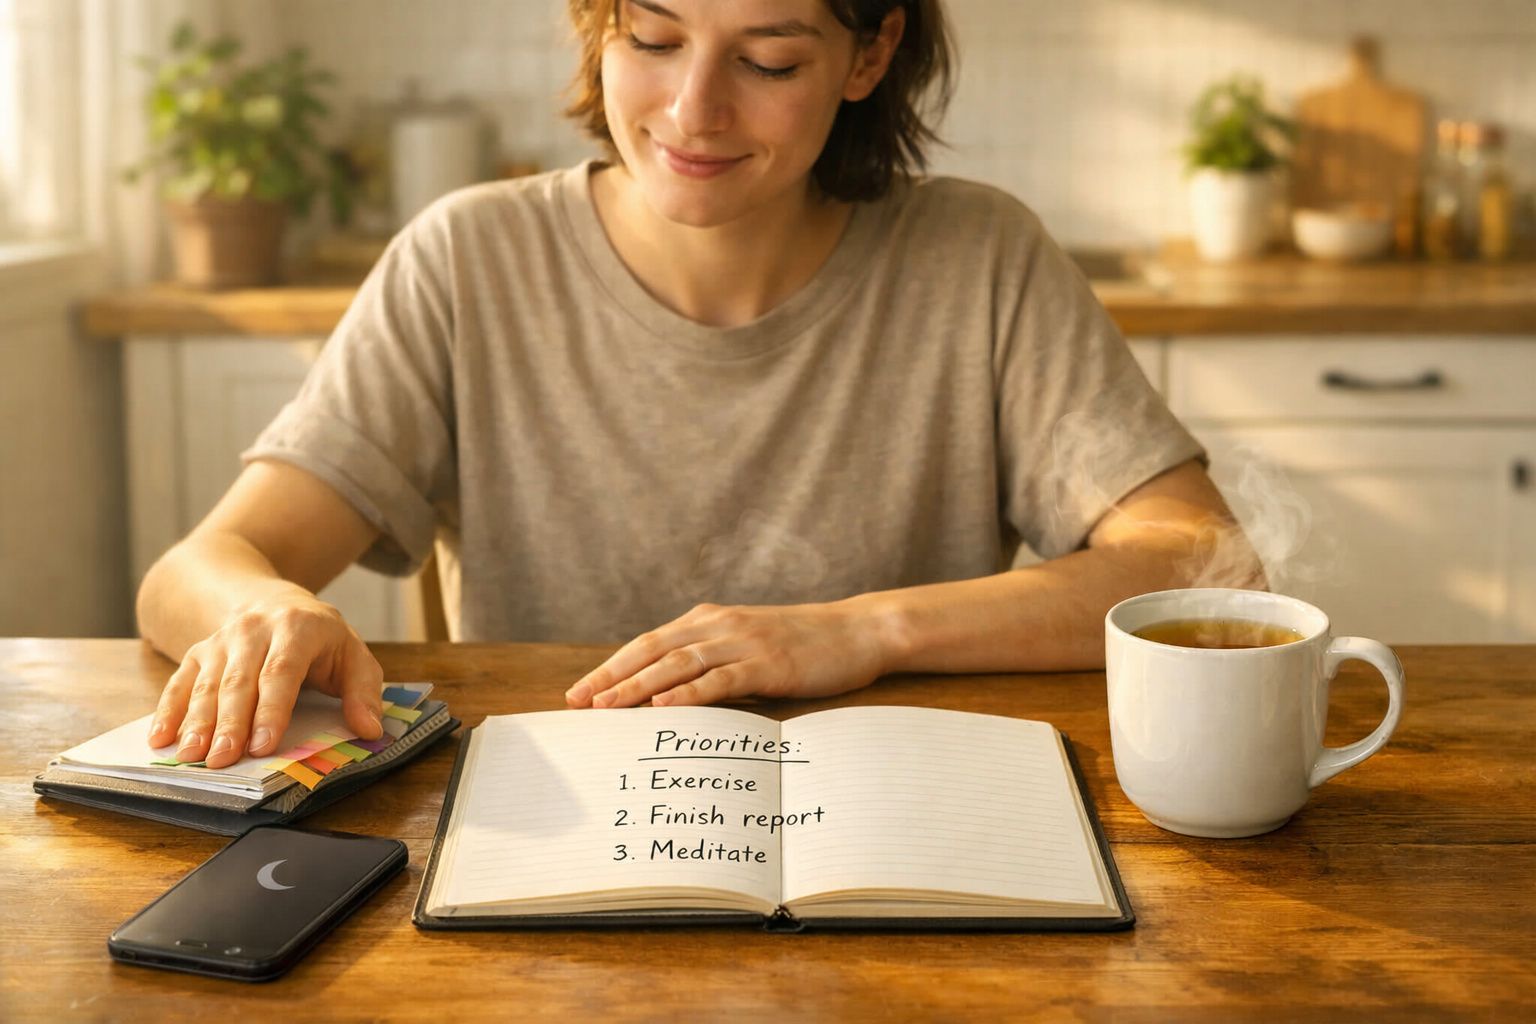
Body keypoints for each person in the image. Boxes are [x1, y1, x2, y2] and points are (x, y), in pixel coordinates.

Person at [138, 0, 1261, 770]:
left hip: (896, 836)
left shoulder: (981, 258)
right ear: (597, 24)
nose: (692, 111)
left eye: (768, 61)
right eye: (655, 38)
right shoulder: (468, 258)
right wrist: (270, 606)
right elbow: (194, 571)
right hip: (552, 841)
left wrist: (864, 630)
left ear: (868, 59)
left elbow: (1202, 567)